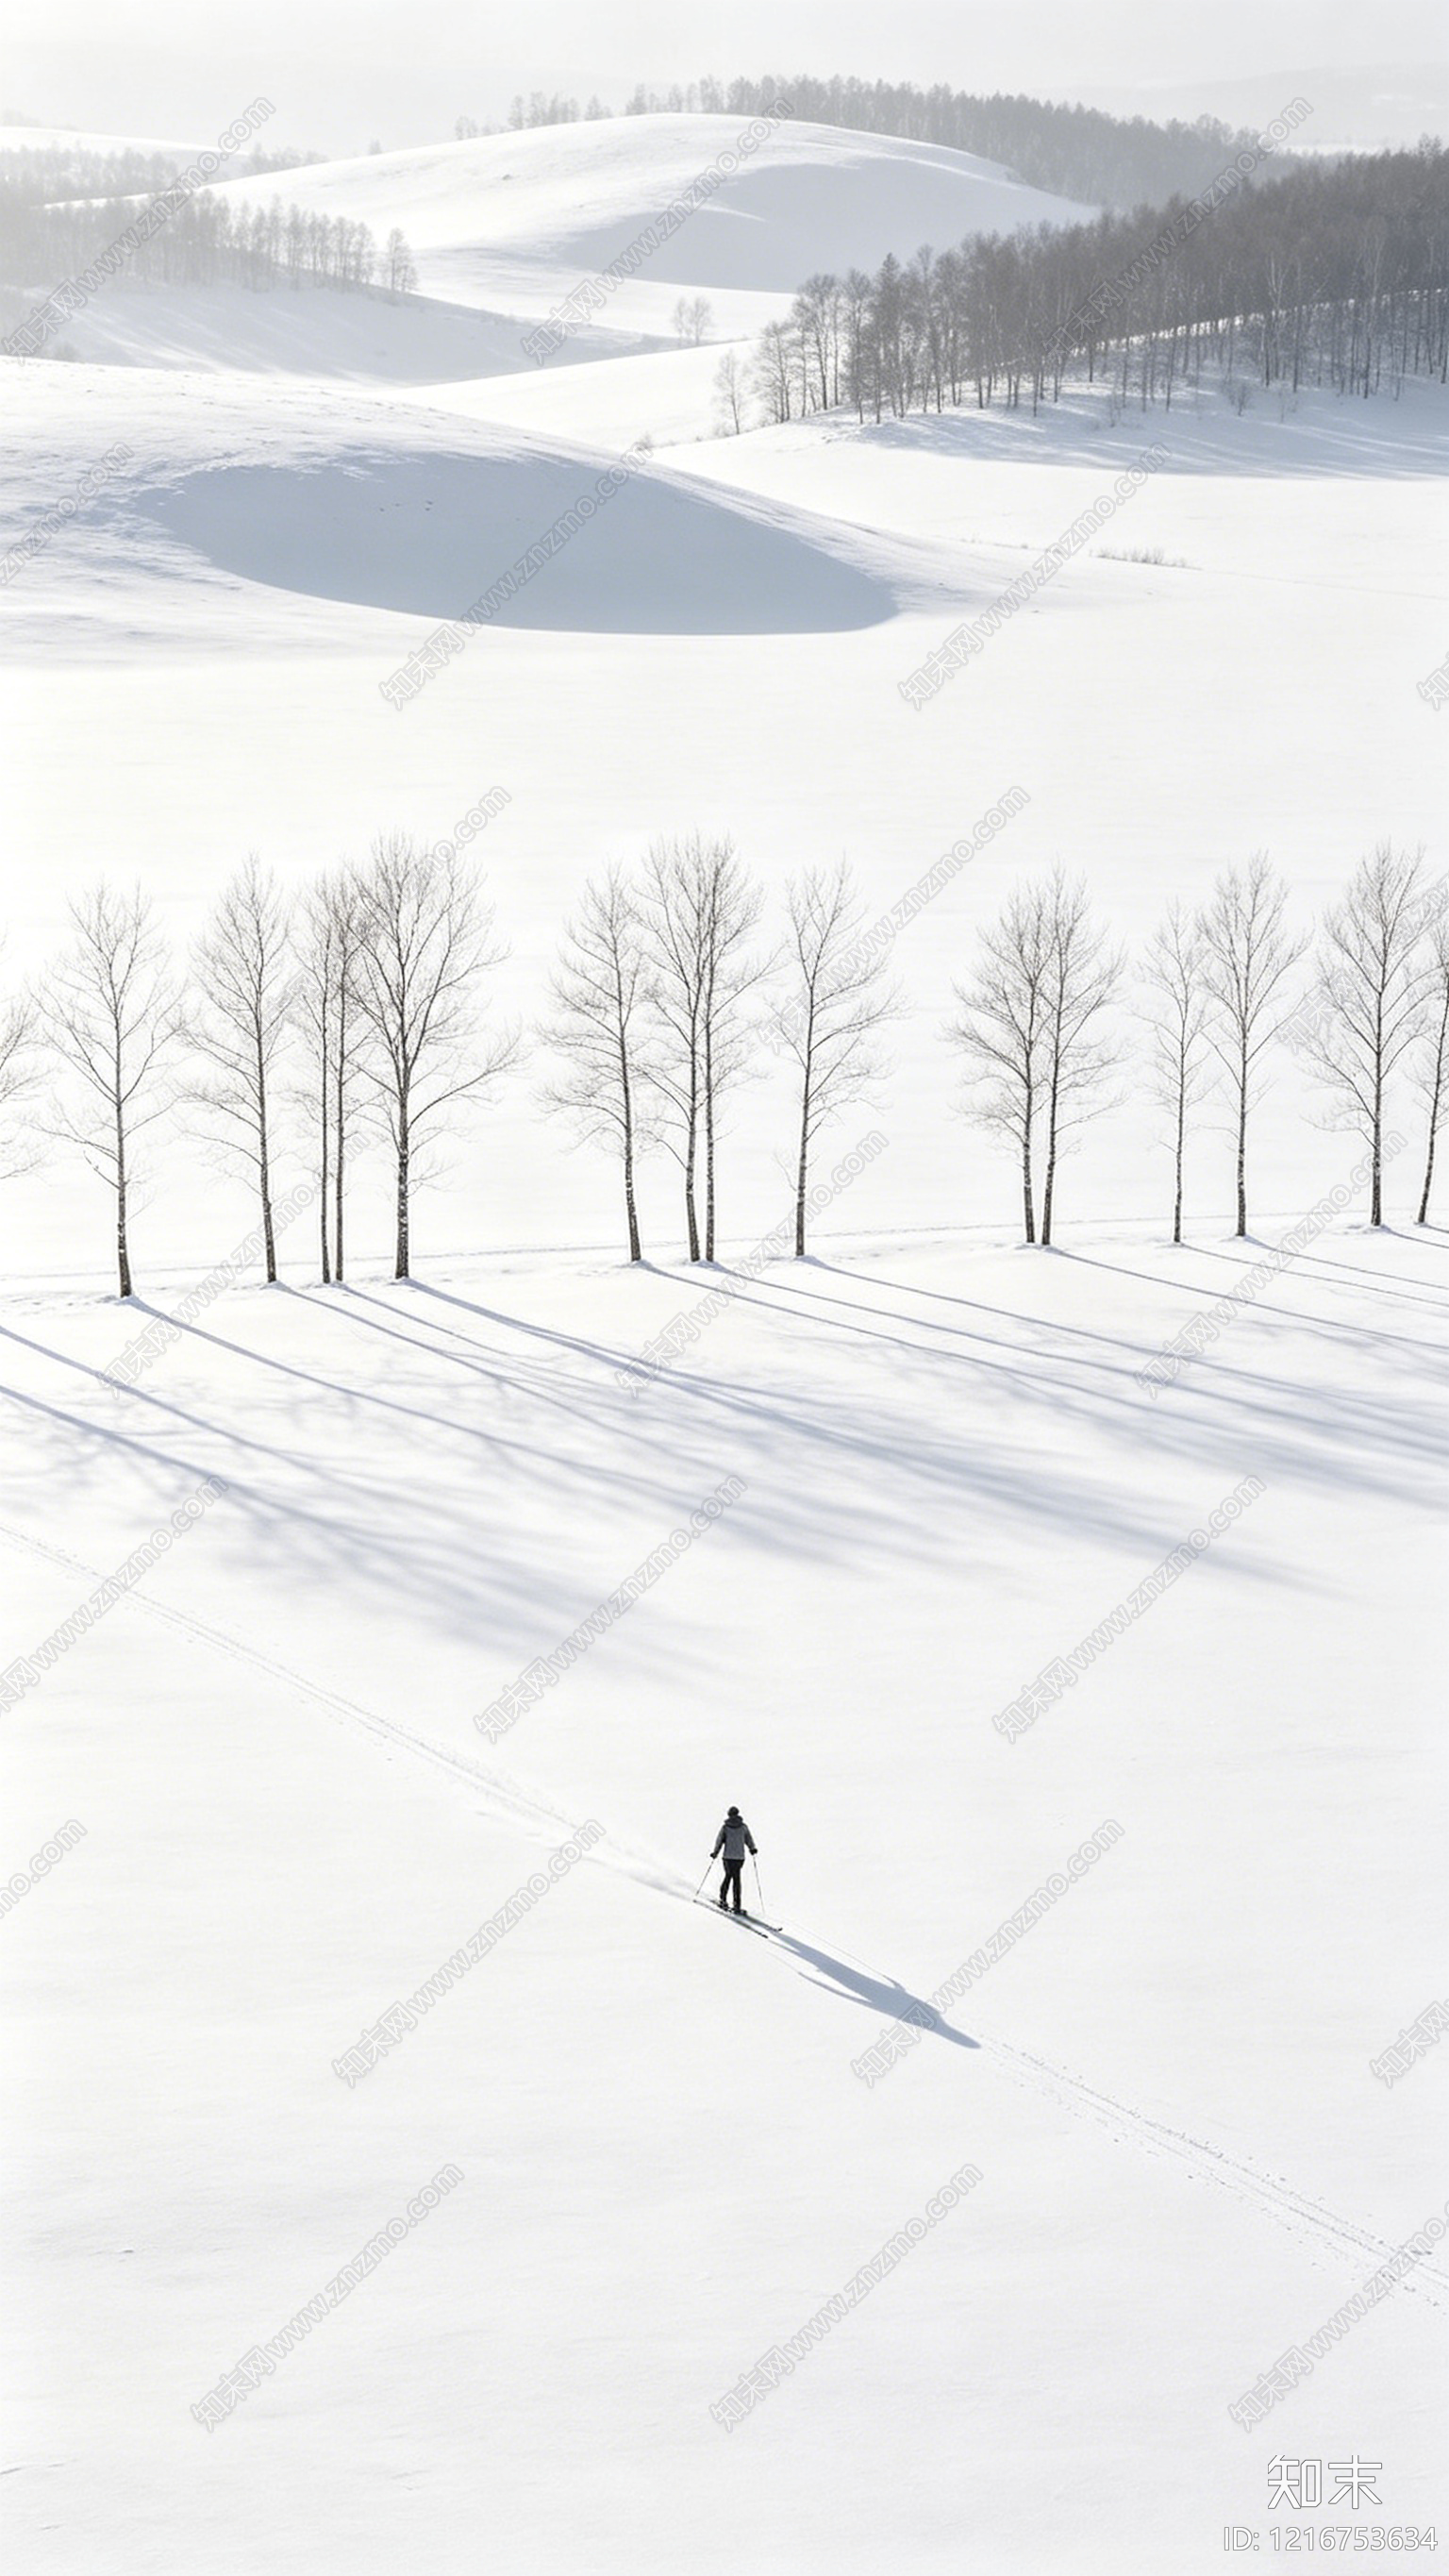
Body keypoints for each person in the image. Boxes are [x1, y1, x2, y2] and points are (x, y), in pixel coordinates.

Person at [710, 1805, 758, 1913]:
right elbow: (749, 1839)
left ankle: (723, 1899)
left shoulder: (725, 1827)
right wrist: (752, 1849)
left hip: (728, 1857)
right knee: (737, 1879)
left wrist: (715, 1853)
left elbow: (719, 1841)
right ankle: (737, 1905)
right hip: (740, 1858)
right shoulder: (743, 1827)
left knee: (728, 1877)